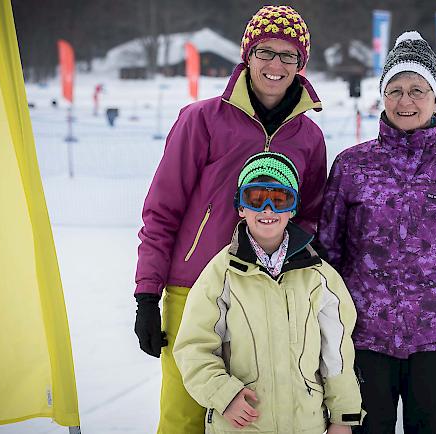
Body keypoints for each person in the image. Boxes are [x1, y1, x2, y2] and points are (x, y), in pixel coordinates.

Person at [133, 6, 327, 433]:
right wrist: (148, 297)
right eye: (265, 51)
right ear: (247, 55)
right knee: (182, 416)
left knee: (249, 416)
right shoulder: (200, 120)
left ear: (301, 64)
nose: (275, 65)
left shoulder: (309, 138)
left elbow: (310, 217)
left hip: (263, 294)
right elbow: (162, 212)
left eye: (288, 55)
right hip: (190, 287)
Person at [318, 31, 436, 434]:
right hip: (364, 342)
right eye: (396, 90)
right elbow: (325, 263)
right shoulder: (351, 166)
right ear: (382, 96)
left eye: (418, 90)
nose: (406, 101)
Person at [173, 152, 364, 433]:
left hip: (304, 422)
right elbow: (194, 346)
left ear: (293, 208)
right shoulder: (222, 274)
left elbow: (337, 351)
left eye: (279, 200)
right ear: (240, 206)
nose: (267, 209)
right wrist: (224, 395)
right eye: (255, 198)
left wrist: (342, 416)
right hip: (243, 423)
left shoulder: (318, 275)